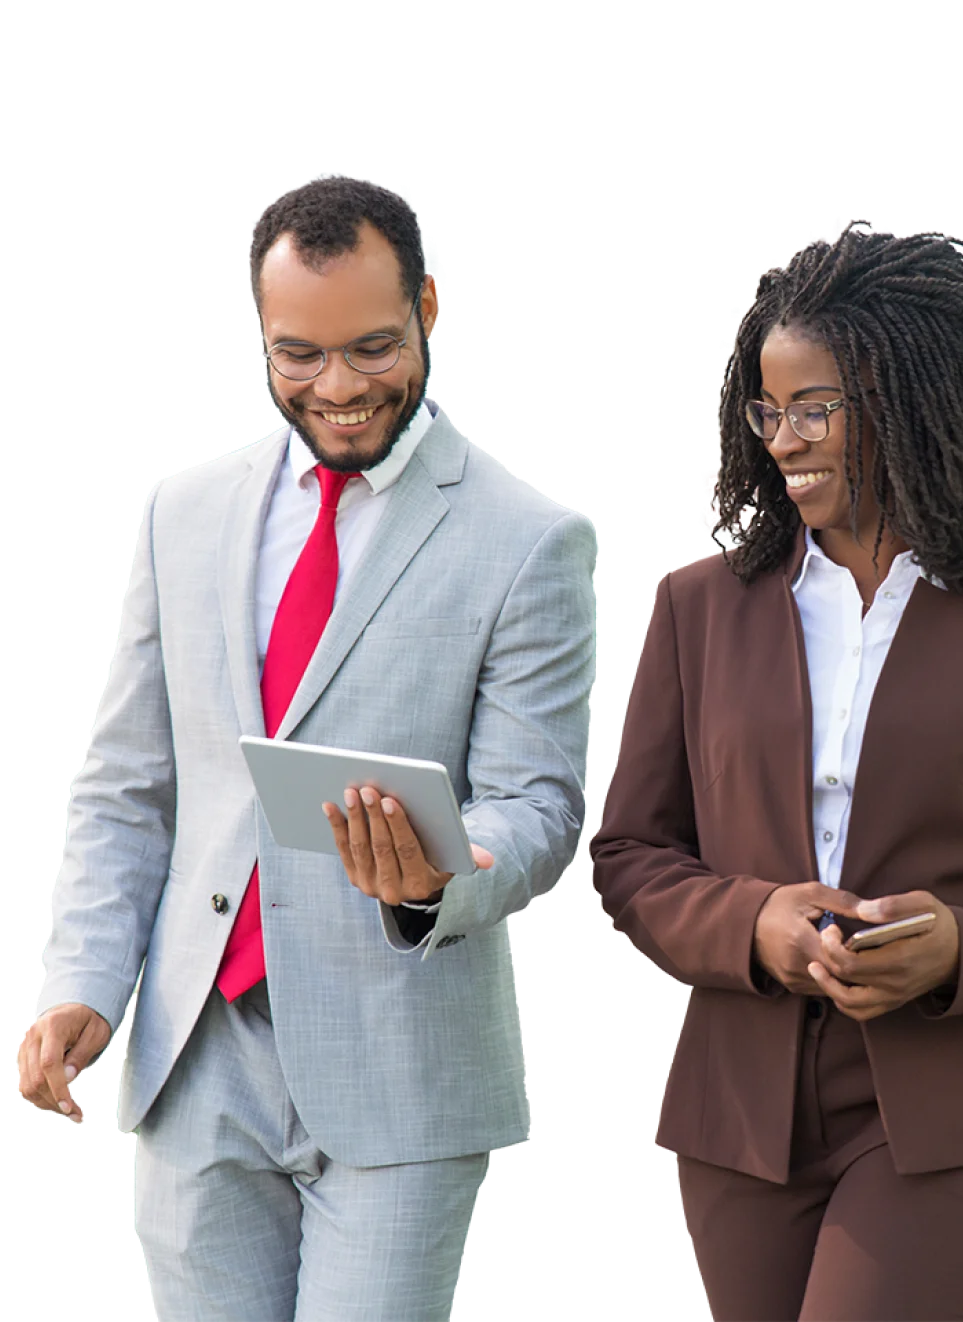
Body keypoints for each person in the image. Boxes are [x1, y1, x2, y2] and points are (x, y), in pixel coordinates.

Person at [16, 176, 597, 1320]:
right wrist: (83, 978)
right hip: (196, 1049)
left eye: (373, 347)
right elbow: (129, 786)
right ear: (260, 331)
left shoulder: (531, 538)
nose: (336, 388)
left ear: (431, 306)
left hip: (401, 1059)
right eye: (299, 354)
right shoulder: (181, 513)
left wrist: (445, 876)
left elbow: (540, 803)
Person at [587, 224, 963, 1322]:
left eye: (814, 408)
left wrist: (960, 947)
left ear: (909, 399)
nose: (782, 439)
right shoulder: (697, 608)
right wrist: (753, 922)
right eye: (767, 409)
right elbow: (633, 856)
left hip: (955, 1113)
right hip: (743, 1117)